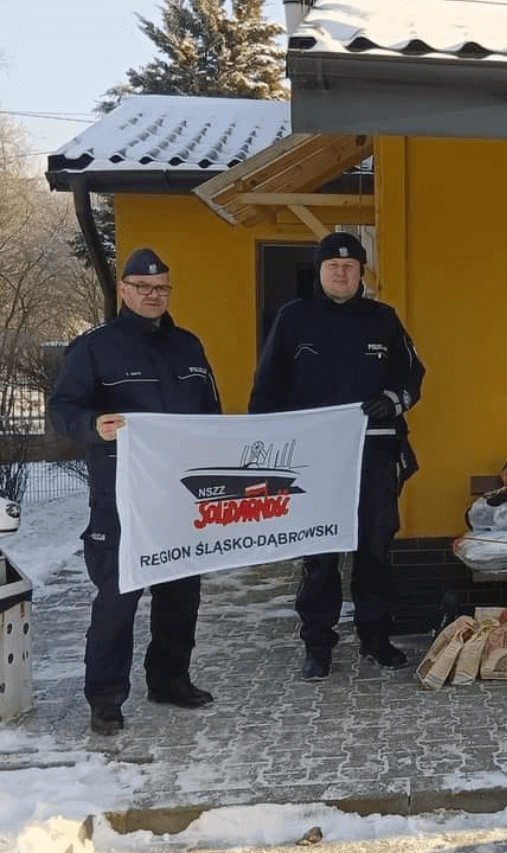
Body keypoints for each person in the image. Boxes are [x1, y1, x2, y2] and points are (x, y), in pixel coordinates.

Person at [49, 248, 222, 736]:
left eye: (162, 287)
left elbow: (212, 416)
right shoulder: (95, 347)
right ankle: (105, 699)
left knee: (181, 594)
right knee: (117, 601)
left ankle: (169, 679)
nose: (153, 295)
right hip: (121, 498)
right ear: (124, 290)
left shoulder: (188, 346)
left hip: (179, 496)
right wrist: (91, 425)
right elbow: (62, 410)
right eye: (143, 287)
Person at [249, 231, 425, 681]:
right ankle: (318, 643)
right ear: (321, 271)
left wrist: (394, 398)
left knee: (374, 548)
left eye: (350, 267)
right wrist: (270, 449)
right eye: (333, 266)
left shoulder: (384, 319)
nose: (342, 272)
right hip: (314, 460)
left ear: (361, 272)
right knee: (320, 552)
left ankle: (375, 636)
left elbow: (414, 375)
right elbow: (266, 391)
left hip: (374, 453)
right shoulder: (293, 320)